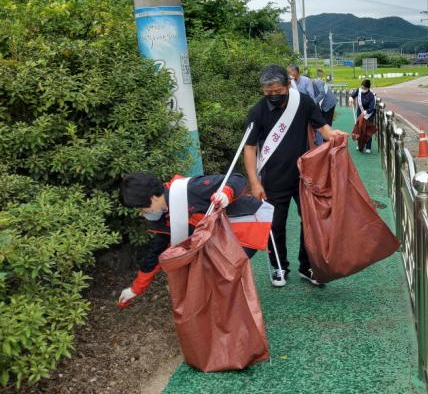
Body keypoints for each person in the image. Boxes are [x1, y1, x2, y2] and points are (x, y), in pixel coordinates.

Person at [244, 64, 346, 288]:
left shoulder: (303, 102)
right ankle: (279, 266)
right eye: (268, 93)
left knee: (310, 222)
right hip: (273, 179)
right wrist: (254, 182)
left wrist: (332, 135)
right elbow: (249, 148)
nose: (273, 96)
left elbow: (323, 128)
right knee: (275, 225)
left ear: (288, 85)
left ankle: (307, 266)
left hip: (304, 177)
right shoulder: (257, 111)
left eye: (278, 91)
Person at [117, 171, 251, 308]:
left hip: (247, 228)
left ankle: (234, 312)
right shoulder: (162, 217)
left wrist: (226, 193)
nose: (142, 213)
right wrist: (135, 289)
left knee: (219, 278)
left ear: (153, 198)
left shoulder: (189, 189)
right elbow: (156, 253)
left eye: (141, 208)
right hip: (221, 241)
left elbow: (237, 178)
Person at [349, 79, 376, 154]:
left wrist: (366, 112)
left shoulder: (371, 95)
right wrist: (351, 98)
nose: (362, 89)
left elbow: (372, 107)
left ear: (368, 88)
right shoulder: (359, 90)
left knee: (367, 130)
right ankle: (360, 145)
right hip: (360, 113)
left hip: (368, 115)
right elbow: (353, 95)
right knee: (359, 129)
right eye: (362, 87)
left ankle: (368, 147)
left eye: (364, 88)